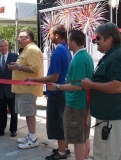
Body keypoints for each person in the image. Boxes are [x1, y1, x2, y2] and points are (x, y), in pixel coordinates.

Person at [81, 22, 121, 160]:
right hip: (111, 115)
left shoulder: (117, 56)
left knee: (104, 155)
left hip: (110, 117)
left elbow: (118, 86)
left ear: (109, 39)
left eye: (98, 38)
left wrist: (91, 84)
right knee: (115, 153)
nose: (95, 41)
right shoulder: (113, 55)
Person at [26, 25, 71, 159]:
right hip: (63, 91)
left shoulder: (58, 52)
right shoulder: (66, 50)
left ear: (57, 35)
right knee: (62, 121)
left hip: (56, 93)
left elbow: (54, 77)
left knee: (57, 123)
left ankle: (61, 152)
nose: (49, 37)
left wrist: (34, 80)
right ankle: (65, 148)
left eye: (50, 34)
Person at [47, 30, 94, 160]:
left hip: (76, 104)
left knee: (78, 139)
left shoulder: (79, 59)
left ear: (73, 42)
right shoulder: (84, 56)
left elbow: (78, 85)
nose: (67, 43)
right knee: (83, 135)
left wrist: (57, 86)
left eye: (68, 41)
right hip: (81, 103)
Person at [8, 29, 43, 149]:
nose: (19, 39)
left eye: (21, 37)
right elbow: (24, 66)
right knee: (28, 113)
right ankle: (30, 135)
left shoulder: (32, 50)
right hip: (23, 88)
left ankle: (33, 139)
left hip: (28, 88)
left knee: (29, 113)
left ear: (28, 38)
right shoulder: (27, 50)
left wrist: (18, 67)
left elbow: (35, 69)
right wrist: (17, 66)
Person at [0, 39, 18, 138]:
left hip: (11, 89)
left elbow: (18, 73)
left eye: (5, 45)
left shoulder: (15, 57)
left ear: (8, 46)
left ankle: (13, 130)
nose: (3, 48)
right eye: (1, 46)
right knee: (1, 111)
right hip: (0, 90)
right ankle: (0, 130)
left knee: (13, 111)